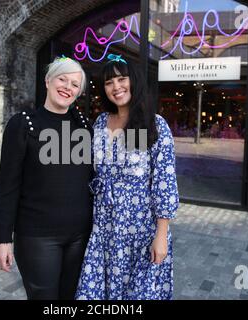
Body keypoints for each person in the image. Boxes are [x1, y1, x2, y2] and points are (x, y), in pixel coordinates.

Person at [75, 55, 179, 300]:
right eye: (109, 82)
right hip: (104, 228)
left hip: (141, 230)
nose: (116, 87)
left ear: (134, 81)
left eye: (122, 79)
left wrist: (161, 236)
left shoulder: (152, 124)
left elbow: (165, 183)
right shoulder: (100, 122)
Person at [0, 56, 93, 300]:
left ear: (78, 93)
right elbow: (7, 186)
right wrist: (2, 238)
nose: (67, 87)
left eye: (74, 84)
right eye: (62, 79)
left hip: (80, 236)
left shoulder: (85, 127)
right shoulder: (23, 124)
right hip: (38, 237)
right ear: (48, 80)